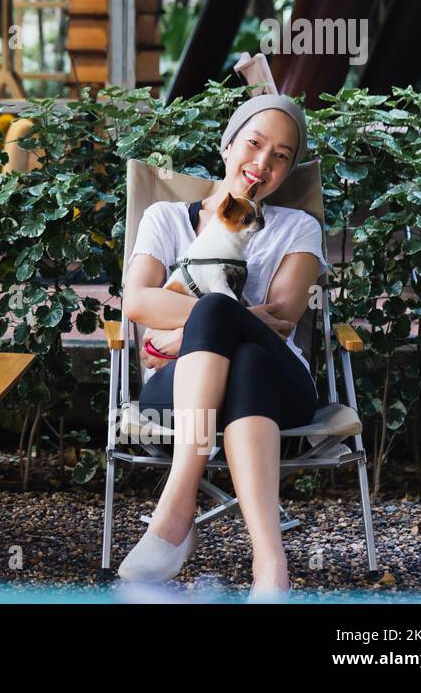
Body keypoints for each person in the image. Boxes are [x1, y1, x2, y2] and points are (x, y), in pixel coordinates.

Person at [117, 94, 329, 600]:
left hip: (284, 392)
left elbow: (280, 321)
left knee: (231, 326)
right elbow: (137, 301)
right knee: (242, 346)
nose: (263, 163)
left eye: (281, 155)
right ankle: (270, 567)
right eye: (254, 145)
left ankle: (176, 507)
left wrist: (182, 330)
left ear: (289, 169)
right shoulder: (166, 218)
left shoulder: (299, 227)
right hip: (179, 389)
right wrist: (231, 318)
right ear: (227, 145)